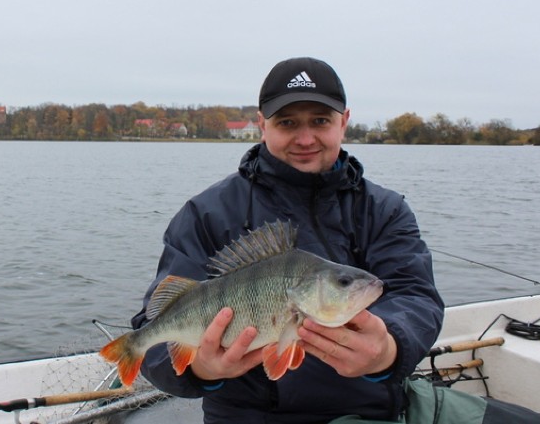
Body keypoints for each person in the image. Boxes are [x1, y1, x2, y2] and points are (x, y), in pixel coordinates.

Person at [131, 57, 444, 423]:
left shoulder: (385, 210)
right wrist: (202, 367)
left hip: (368, 410)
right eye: (288, 122)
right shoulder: (206, 214)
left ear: (344, 122)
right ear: (263, 125)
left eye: (320, 121)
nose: (306, 138)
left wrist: (389, 347)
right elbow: (152, 336)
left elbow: (416, 296)